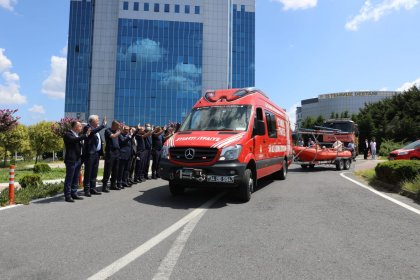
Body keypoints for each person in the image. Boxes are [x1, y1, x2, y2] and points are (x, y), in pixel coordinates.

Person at [63, 121, 91, 202]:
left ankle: (74, 193)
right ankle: (67, 195)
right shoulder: (68, 134)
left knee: (76, 177)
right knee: (69, 178)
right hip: (71, 160)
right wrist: (85, 135)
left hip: (78, 159)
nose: (81, 128)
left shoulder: (77, 135)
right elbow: (74, 140)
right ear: (75, 127)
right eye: (79, 126)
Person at [82, 115, 106, 197]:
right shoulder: (87, 127)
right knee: (88, 172)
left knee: (94, 172)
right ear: (92, 121)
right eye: (97, 120)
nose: (98, 121)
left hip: (96, 154)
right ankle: (86, 190)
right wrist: (103, 125)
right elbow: (91, 132)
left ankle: (93, 188)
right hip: (89, 154)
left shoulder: (96, 129)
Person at [102, 120, 122, 191]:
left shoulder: (117, 132)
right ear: (114, 125)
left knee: (115, 169)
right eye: (118, 126)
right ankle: (104, 186)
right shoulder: (108, 131)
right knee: (108, 169)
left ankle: (113, 184)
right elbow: (112, 136)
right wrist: (119, 132)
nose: (119, 127)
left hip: (117, 152)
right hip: (110, 152)